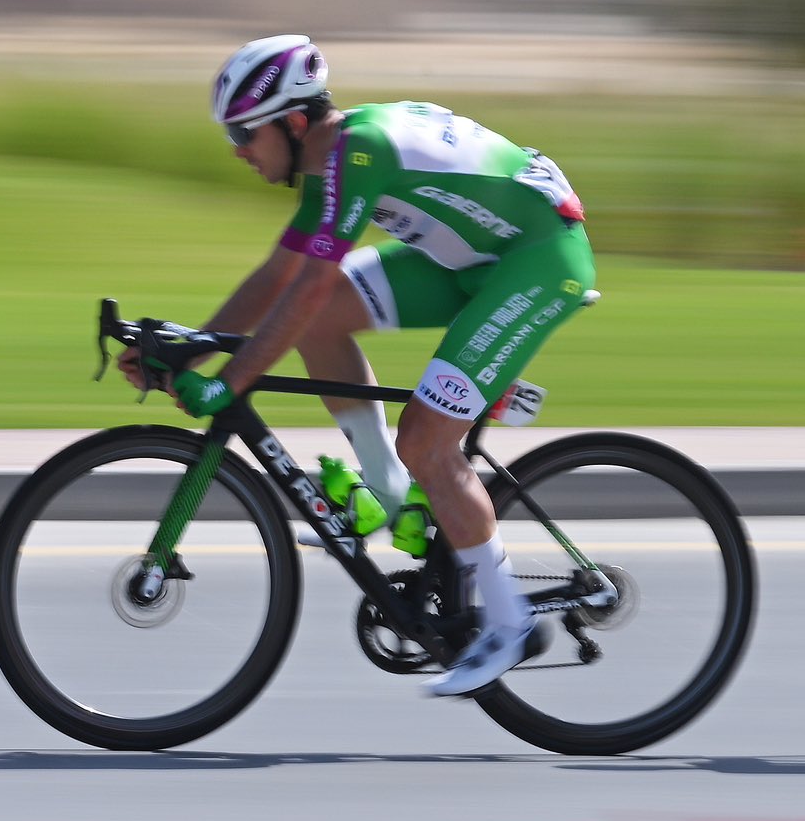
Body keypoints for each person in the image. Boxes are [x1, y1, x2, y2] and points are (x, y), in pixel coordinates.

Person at [123, 34, 595, 696]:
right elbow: (280, 275)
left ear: (292, 121)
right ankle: (390, 493)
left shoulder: (358, 150)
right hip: (476, 259)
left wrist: (229, 381)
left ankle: (509, 620)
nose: (237, 150)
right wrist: (193, 348)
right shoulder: (330, 162)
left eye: (244, 133)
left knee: (426, 436)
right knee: (321, 319)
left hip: (539, 262)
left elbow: (307, 283)